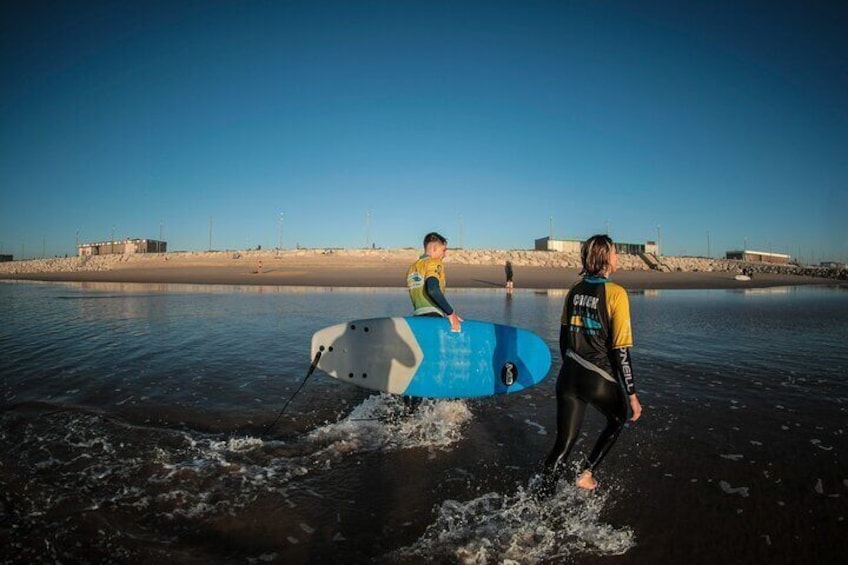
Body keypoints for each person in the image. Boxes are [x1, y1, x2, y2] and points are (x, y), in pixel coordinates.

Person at [539, 234, 642, 494]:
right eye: (615, 252)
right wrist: (631, 395)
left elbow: (564, 339)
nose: (618, 257)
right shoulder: (616, 293)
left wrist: (572, 369)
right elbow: (620, 351)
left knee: (563, 444)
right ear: (605, 257)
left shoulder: (574, 291)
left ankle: (540, 501)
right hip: (597, 376)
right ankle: (586, 473)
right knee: (617, 418)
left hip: (569, 375)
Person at [404, 232, 463, 411]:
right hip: (433, 319)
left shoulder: (413, 267)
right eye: (444, 250)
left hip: (418, 320)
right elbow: (432, 290)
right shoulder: (433, 263)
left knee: (420, 365)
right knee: (439, 363)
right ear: (434, 248)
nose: (445, 254)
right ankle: (445, 409)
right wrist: (451, 313)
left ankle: (409, 410)